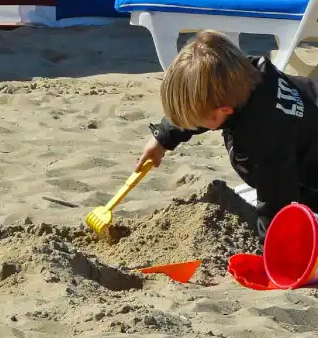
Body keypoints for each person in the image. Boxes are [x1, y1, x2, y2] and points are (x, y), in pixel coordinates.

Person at [136, 29, 318, 243]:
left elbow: (276, 202)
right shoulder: (244, 77)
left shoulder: (263, 139)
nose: (193, 125)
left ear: (224, 110)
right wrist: (163, 137)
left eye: (196, 121)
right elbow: (204, 105)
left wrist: (273, 249)